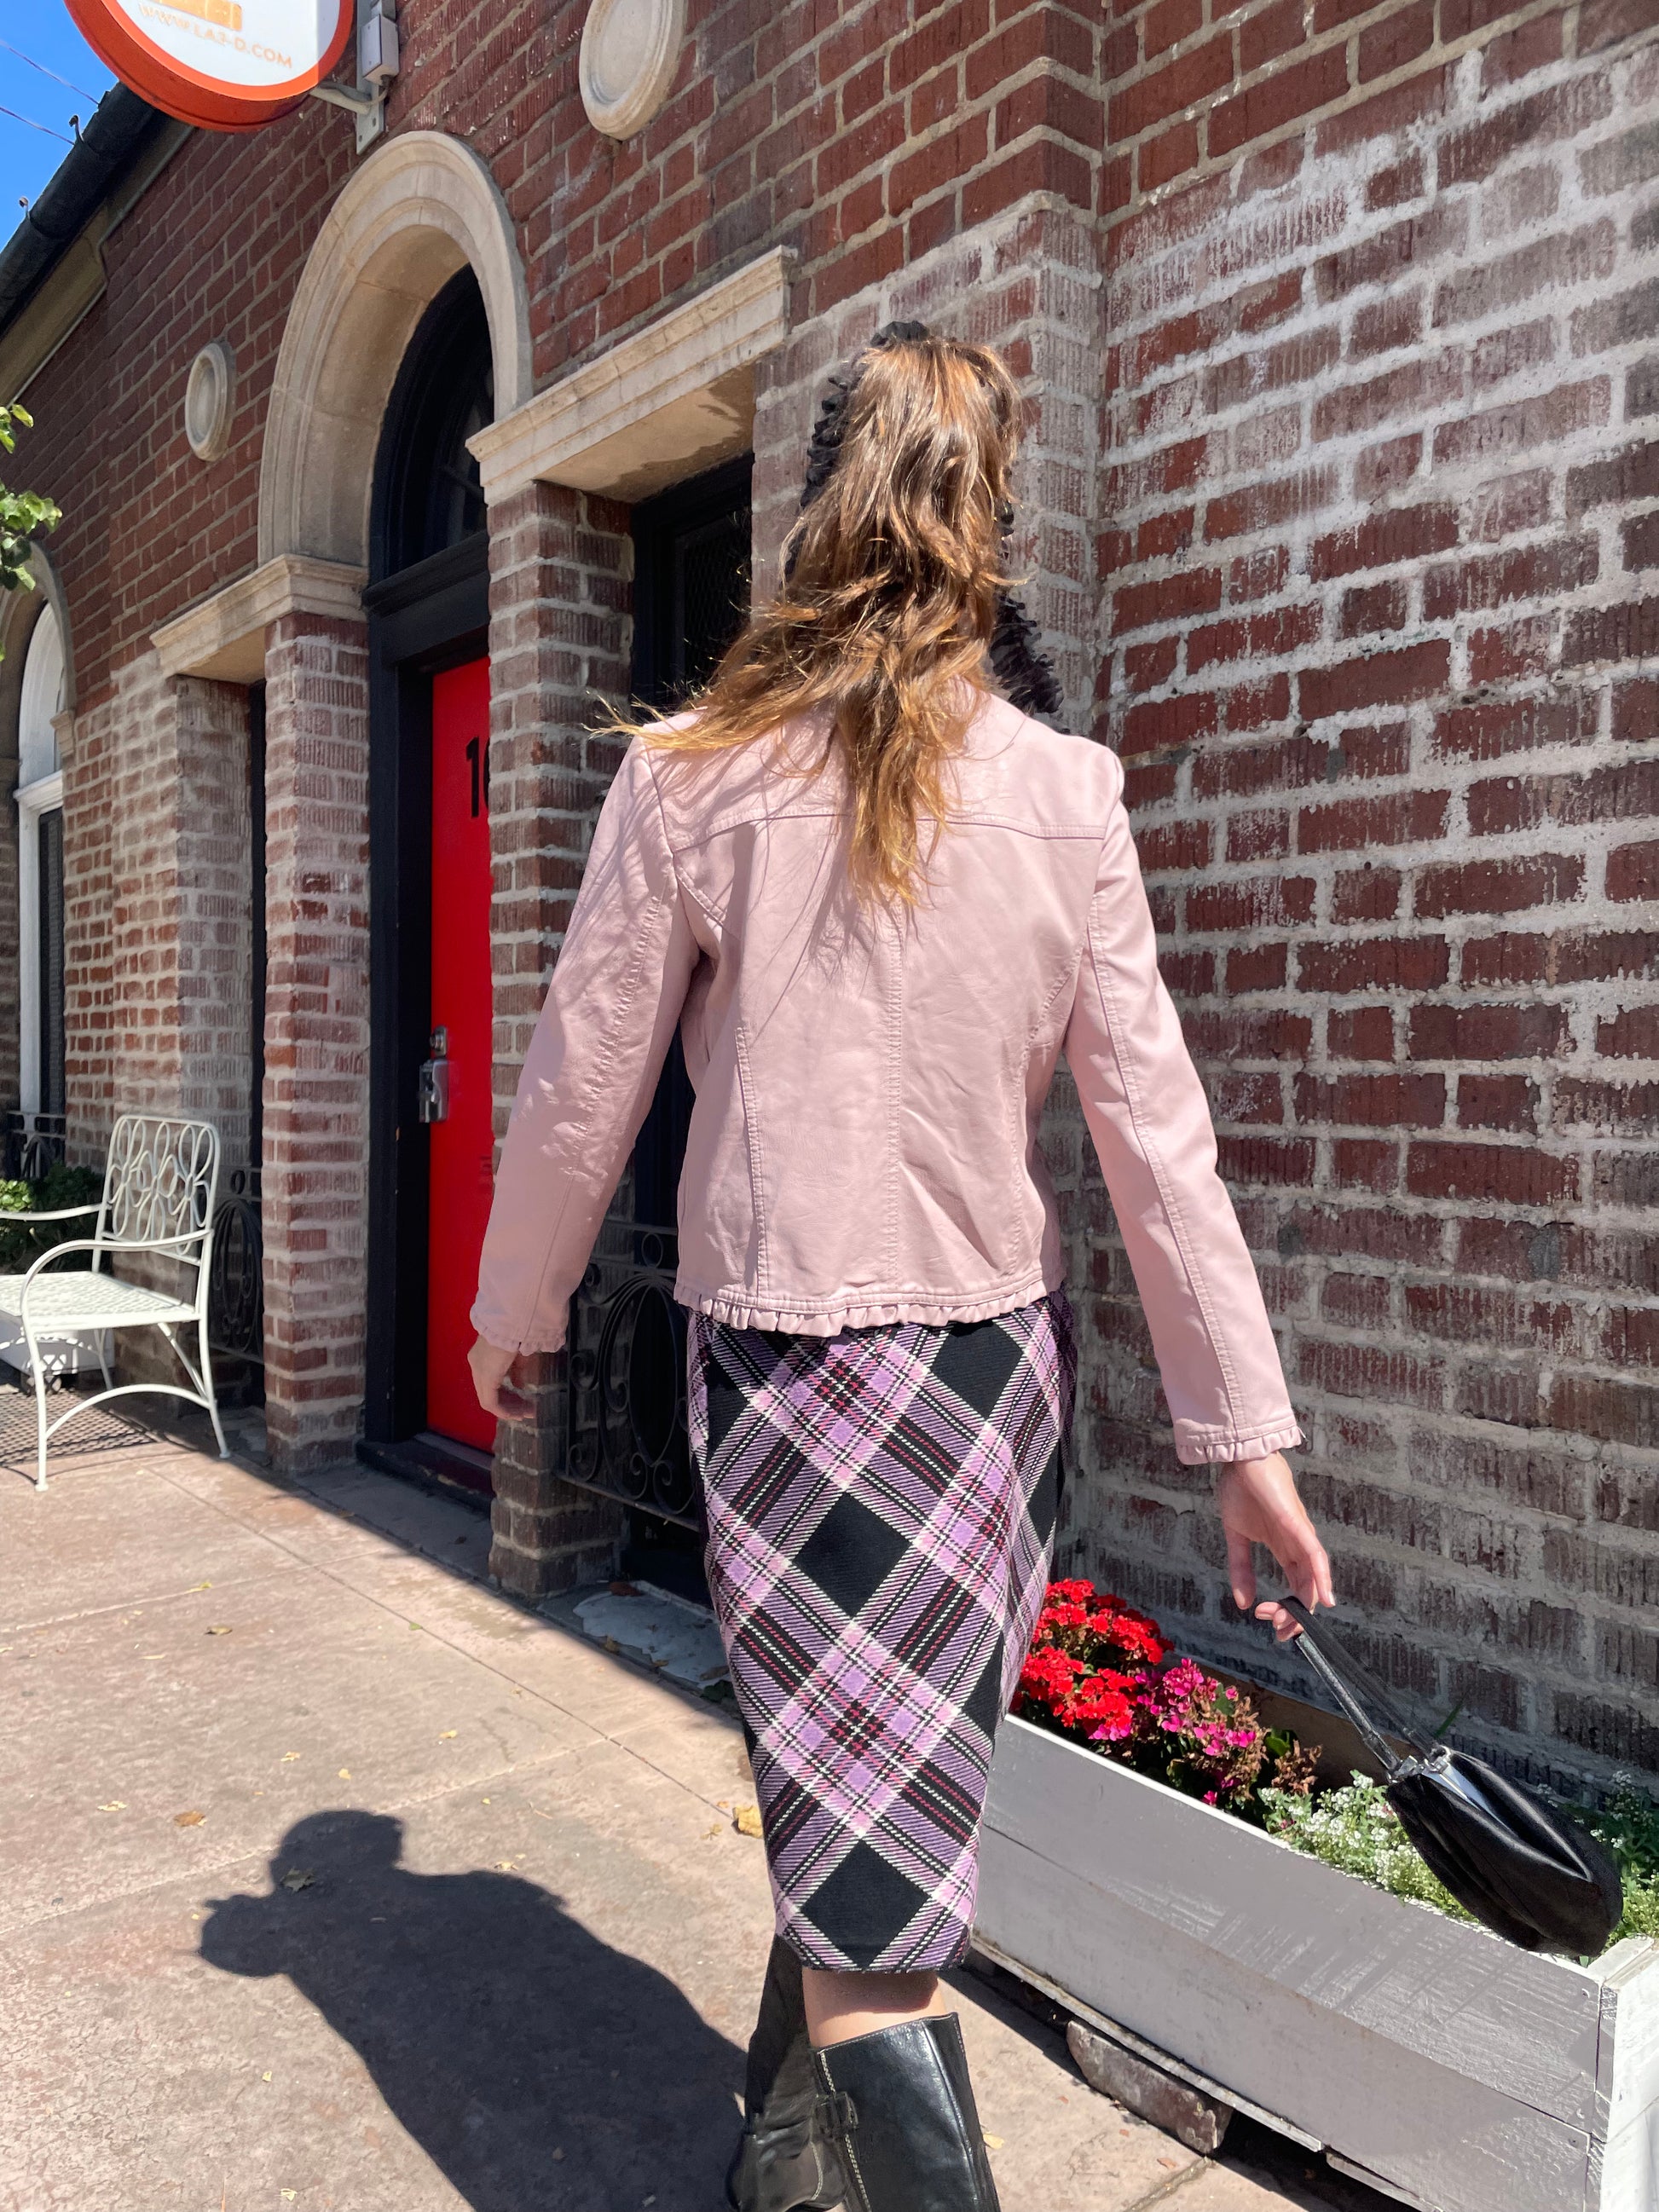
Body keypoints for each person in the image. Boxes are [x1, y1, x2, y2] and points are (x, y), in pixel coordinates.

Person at [467, 325, 1333, 2212]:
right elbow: (1153, 1138)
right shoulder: (1066, 793)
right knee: (881, 1797)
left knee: (875, 1908)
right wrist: (1241, 1437)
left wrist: (509, 1304)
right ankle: (787, 2163)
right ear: (990, 514)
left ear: (816, 501)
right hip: (984, 1383)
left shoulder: (689, 778)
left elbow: (576, 1075)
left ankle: (863, 2141)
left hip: (787, 1377)